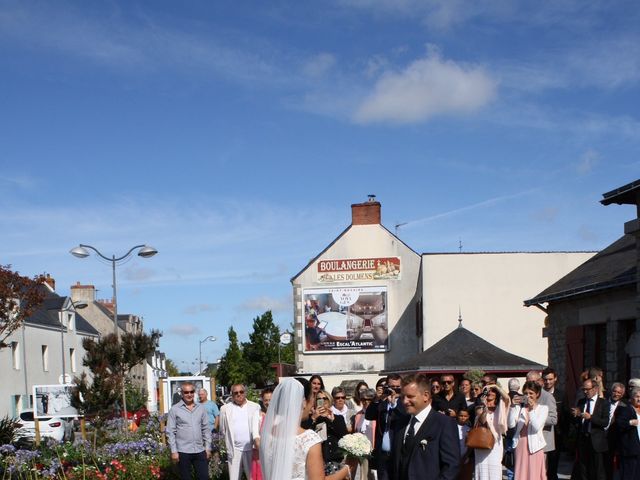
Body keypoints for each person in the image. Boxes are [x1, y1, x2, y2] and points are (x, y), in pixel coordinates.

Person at [259, 377, 355, 480]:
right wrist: (348, 468)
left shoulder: (267, 434)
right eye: (313, 396)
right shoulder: (308, 439)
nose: (314, 401)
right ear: (304, 402)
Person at [392, 373, 460, 480]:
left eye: (410, 396)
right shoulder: (400, 423)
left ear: (426, 395)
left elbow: (451, 466)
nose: (405, 401)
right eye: (402, 397)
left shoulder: (444, 424)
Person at [365, 373, 408, 480]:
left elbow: (404, 418)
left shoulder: (405, 402)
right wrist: (376, 399)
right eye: (392, 387)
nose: (395, 390)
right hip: (382, 452)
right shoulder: (382, 402)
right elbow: (369, 415)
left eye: (398, 388)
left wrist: (394, 405)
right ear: (386, 387)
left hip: (398, 451)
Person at [166, 381, 211, 480]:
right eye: (186, 392)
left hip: (199, 450)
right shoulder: (175, 409)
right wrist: (174, 451)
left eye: (191, 392)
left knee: (204, 477)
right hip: (183, 451)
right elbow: (170, 432)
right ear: (182, 393)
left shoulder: (201, 408)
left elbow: (206, 429)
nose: (189, 394)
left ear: (194, 392)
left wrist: (207, 448)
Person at [219, 383, 262, 480]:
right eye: (236, 393)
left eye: (241, 392)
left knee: (253, 477)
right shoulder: (224, 409)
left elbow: (259, 428)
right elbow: (222, 430)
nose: (239, 394)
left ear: (245, 393)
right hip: (234, 450)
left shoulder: (255, 407)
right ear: (232, 395)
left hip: (251, 449)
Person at [508, 380, 548, 480]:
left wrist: (531, 409)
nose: (528, 396)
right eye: (526, 393)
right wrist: (512, 407)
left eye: (531, 393)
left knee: (534, 475)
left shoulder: (543, 408)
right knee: (521, 474)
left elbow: (536, 426)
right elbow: (511, 424)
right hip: (520, 445)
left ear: (537, 394)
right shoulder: (519, 407)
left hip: (535, 447)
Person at [571, 378, 610, 480]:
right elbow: (577, 422)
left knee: (598, 469)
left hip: (596, 441)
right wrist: (576, 415)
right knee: (583, 468)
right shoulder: (582, 401)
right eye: (583, 389)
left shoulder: (603, 403)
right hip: (583, 439)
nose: (585, 392)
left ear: (595, 389)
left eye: (587, 389)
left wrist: (591, 417)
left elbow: (605, 422)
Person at [473, 384, 510, 480]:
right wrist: (484, 407)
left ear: (497, 394)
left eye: (493, 391)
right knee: (482, 470)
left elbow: (507, 398)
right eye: (488, 391)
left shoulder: (500, 408)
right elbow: (482, 421)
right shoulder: (479, 407)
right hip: (481, 442)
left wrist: (495, 386)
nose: (490, 392)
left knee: (495, 470)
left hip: (495, 444)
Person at [310, 390, 349, 472]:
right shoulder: (311, 419)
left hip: (335, 461)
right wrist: (313, 419)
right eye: (319, 399)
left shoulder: (338, 418)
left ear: (329, 401)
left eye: (325, 398)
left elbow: (344, 436)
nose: (322, 401)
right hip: (317, 461)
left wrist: (332, 421)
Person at [542, 367, 565, 480]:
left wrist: (563, 435)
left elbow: (565, 416)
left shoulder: (561, 395)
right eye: (545, 379)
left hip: (556, 435)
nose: (548, 382)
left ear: (555, 379)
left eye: (550, 379)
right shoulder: (539, 394)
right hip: (541, 434)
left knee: (553, 467)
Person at [614, 387, 640, 480]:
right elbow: (619, 423)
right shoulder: (626, 409)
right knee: (629, 475)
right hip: (630, 449)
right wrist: (629, 422)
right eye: (637, 396)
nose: (639, 399)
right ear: (632, 397)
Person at [251, 386, 274, 480]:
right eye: (266, 400)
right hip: (260, 454)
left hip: (275, 454)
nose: (268, 403)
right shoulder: (257, 414)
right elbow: (255, 434)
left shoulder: (279, 415)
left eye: (270, 400)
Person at [605, 382, 626, 480]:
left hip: (615, 439)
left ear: (622, 395)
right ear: (611, 391)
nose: (616, 394)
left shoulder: (624, 406)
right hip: (601, 437)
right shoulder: (603, 402)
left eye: (619, 392)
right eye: (614, 391)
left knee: (613, 465)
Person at [456, 408, 473, 480]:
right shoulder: (451, 427)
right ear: (457, 416)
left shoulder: (470, 430)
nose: (463, 418)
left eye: (465, 416)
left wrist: (465, 457)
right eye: (461, 415)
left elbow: (470, 446)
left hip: (464, 460)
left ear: (468, 417)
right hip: (453, 458)